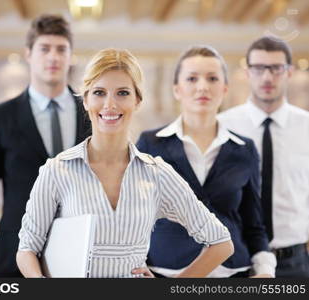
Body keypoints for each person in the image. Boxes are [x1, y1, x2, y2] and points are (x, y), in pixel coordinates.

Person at [16, 48, 234, 278]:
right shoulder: (57, 170)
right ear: (86, 100)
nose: (110, 104)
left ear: (137, 100)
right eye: (99, 92)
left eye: (122, 93)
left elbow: (221, 243)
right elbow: (27, 248)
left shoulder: (156, 173)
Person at [0, 14, 91, 277]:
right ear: (28, 54)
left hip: (82, 253)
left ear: (70, 55)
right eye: (44, 49)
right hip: (13, 255)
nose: (53, 57)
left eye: (61, 49)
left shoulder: (91, 112)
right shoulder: (0, 118)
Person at [137, 46, 276, 278]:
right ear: (177, 89)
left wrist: (265, 271)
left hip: (233, 273)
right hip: (165, 273)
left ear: (224, 89)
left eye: (212, 78)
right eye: (192, 78)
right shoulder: (150, 143)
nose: (202, 86)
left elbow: (254, 225)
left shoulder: (244, 149)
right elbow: (136, 216)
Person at [218, 36, 309, 277]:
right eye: (259, 68)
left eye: (276, 68)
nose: (267, 77)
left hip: (294, 261)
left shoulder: (307, 127)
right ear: (247, 72)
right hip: (236, 259)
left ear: (289, 72)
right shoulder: (223, 127)